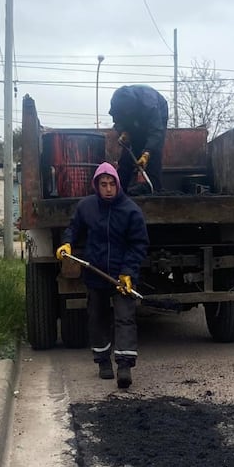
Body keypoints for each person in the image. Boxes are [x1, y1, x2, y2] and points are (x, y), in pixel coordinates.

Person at [56, 162, 149, 388]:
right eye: (103, 184)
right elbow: (73, 228)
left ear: (118, 185)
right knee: (97, 317)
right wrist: (67, 243)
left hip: (121, 276)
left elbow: (138, 245)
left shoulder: (131, 211)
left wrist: (128, 273)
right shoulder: (86, 207)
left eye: (111, 184)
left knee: (124, 317)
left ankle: (124, 366)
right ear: (96, 185)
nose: (108, 188)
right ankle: (103, 361)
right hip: (95, 272)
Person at [109, 84, 169, 194]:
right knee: (128, 153)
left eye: (129, 111)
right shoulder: (117, 103)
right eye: (125, 112)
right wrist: (123, 132)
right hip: (135, 121)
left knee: (153, 154)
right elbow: (117, 121)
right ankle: (120, 190)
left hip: (159, 111)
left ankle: (155, 189)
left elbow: (156, 131)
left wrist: (147, 152)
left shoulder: (150, 105)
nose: (127, 113)